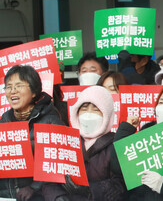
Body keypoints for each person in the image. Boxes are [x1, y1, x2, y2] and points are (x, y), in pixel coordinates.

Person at [0, 65, 67, 201]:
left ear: (34, 92)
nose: (13, 91)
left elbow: (60, 164)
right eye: (8, 87)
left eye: (19, 86)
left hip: (37, 196)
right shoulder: (3, 121)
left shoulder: (51, 121)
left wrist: (35, 187)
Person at [68, 86, 126, 200]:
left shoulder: (116, 144)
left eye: (96, 109)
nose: (88, 114)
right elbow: (51, 180)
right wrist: (58, 197)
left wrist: (89, 190)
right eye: (84, 108)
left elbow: (119, 185)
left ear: (107, 115)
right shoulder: (67, 141)